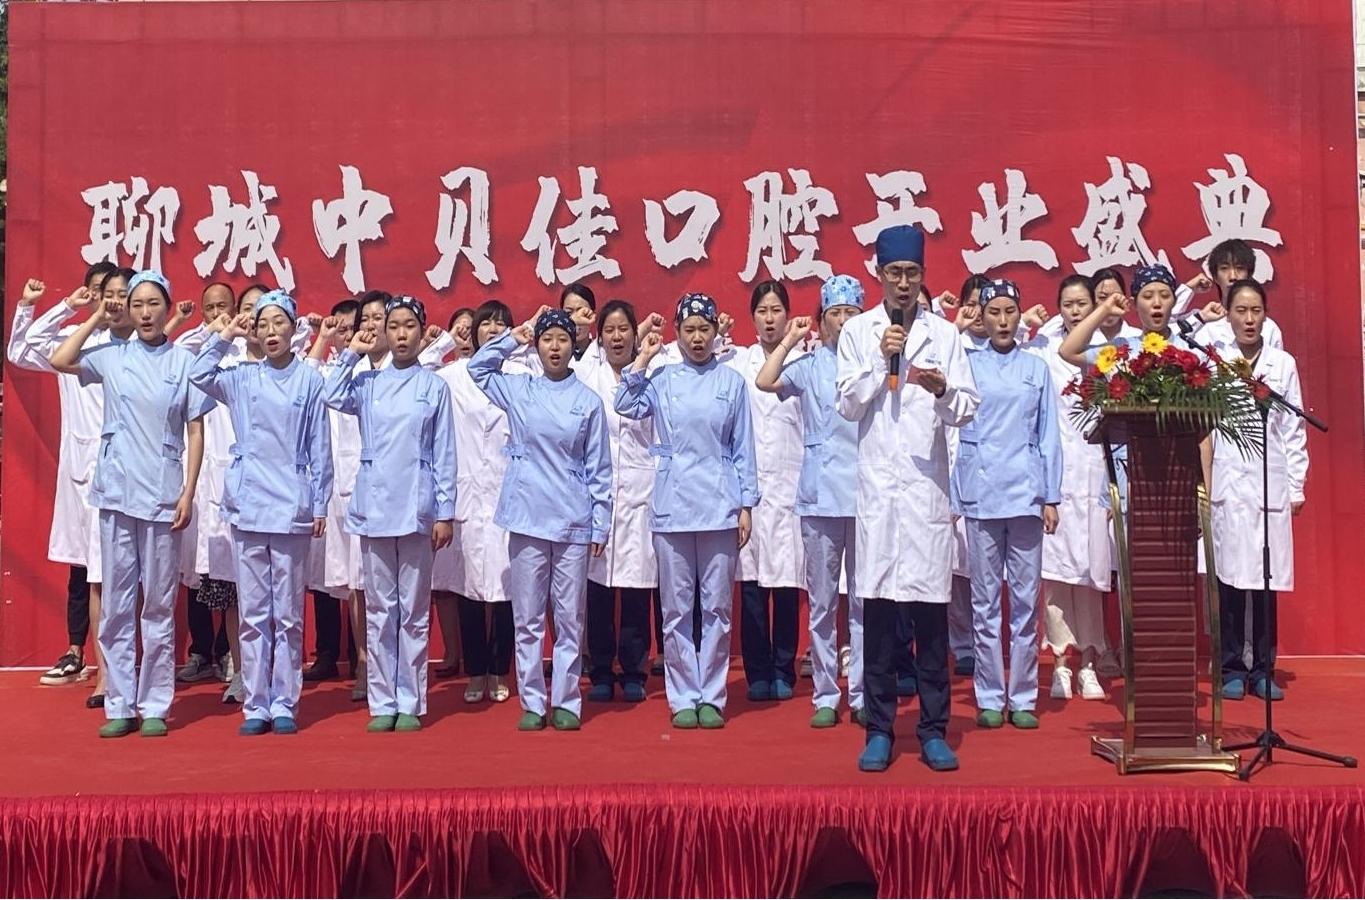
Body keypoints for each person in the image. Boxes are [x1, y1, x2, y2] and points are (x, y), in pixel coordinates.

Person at [835, 225, 979, 772]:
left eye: (912, 273)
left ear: (922, 275)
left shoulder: (944, 334)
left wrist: (942, 389)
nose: (902, 283)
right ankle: (879, 730)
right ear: (879, 274)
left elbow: (967, 406)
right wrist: (881, 360)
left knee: (930, 622)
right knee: (877, 621)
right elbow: (847, 405)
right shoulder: (859, 332)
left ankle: (934, 729)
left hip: (924, 495)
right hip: (879, 495)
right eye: (894, 273)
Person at [49, 271, 214, 737]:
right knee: (118, 604)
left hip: (163, 495)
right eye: (136, 304)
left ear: (168, 309)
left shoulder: (184, 362)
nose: (143, 312)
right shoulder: (112, 356)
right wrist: (98, 316)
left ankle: (156, 703)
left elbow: (196, 430)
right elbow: (61, 359)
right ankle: (120, 703)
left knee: (157, 605)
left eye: (152, 304)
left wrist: (188, 491)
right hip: (117, 493)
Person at [190, 292, 334, 734]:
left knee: (287, 613)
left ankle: (285, 701)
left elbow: (320, 445)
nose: (271, 332)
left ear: (294, 328)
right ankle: (256, 703)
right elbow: (198, 374)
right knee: (254, 611)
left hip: (291, 502)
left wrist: (320, 501)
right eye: (263, 324)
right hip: (249, 501)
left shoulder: (308, 379)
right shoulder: (241, 377)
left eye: (279, 323)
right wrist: (224, 337)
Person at [616, 293, 759, 730]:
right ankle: (682, 695)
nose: (698, 338)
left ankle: (711, 695)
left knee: (716, 607)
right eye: (689, 330)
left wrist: (746, 504)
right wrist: (643, 357)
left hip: (719, 503)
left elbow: (743, 447)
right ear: (677, 333)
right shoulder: (661, 378)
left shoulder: (731, 382)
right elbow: (625, 404)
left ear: (716, 332)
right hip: (673, 504)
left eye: (705, 329)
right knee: (676, 609)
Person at [470, 307, 613, 731]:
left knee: (569, 618)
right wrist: (513, 337)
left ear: (573, 346)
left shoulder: (588, 401)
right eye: (547, 339)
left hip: (572, 518)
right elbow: (479, 368)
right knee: (528, 617)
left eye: (562, 339)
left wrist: (601, 522)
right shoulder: (520, 390)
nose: (554, 347)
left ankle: (567, 700)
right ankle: (533, 701)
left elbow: (599, 468)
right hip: (527, 515)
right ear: (537, 345)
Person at [323, 295, 457, 733]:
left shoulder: (434, 387)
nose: (401, 334)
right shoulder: (368, 383)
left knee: (413, 610)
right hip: (376, 505)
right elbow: (330, 395)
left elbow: (445, 453)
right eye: (393, 326)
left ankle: (411, 701)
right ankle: (383, 701)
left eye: (408, 326)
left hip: (417, 505)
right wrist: (351, 353)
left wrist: (445, 511)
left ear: (421, 332)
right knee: (381, 609)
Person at [7, 262, 122, 706]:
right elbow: (22, 349)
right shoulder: (74, 341)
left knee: (123, 572)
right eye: (98, 291)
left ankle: (128, 666)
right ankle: (88, 659)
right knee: (88, 570)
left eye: (115, 292)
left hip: (127, 469)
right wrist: (53, 307)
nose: (107, 300)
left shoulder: (135, 344)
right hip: (83, 472)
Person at [950, 280, 1062, 730]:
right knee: (984, 601)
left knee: (1025, 601)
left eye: (1009, 312)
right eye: (993, 311)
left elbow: (1048, 434)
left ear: (1020, 316)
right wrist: (957, 494)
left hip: (1026, 492)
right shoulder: (967, 364)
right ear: (981, 316)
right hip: (981, 492)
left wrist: (1051, 495)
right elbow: (952, 424)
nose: (1001, 320)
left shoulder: (1036, 368)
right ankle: (990, 694)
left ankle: (1024, 695)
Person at [754, 274, 863, 727]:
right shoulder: (811, 363)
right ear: (822, 320)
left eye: (851, 313)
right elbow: (765, 380)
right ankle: (825, 693)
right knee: (822, 602)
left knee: (863, 600)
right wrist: (791, 340)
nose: (843, 321)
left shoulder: (875, 363)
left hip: (865, 493)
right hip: (819, 494)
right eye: (835, 313)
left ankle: (862, 692)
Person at [1205, 280, 1306, 701]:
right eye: (1241, 311)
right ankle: (1231, 666)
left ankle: (1263, 668)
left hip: (1270, 478)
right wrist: (1206, 483)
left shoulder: (1282, 363)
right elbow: (1207, 425)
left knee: (1266, 578)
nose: (1249, 319)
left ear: (1266, 315)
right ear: (1228, 315)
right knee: (1230, 578)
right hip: (1229, 480)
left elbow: (1293, 427)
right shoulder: (1215, 360)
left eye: (1256, 311)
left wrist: (1296, 485)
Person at [1038, 275, 1131, 701]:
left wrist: (1117, 483)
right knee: (1056, 575)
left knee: (1093, 575)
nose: (1075, 311)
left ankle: (1090, 661)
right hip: (1057, 472)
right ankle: (1060, 662)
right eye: (1068, 304)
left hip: (1095, 470)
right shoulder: (1043, 348)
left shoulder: (1110, 351)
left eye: (1082, 303)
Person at [432, 300, 517, 705]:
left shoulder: (521, 374)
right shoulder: (452, 376)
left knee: (506, 589)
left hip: (508, 492)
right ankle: (475, 671)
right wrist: (446, 341)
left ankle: (500, 669)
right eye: (486, 325)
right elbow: (416, 370)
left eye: (502, 325)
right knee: (465, 589)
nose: (493, 330)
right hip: (465, 493)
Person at [576, 300, 661, 703]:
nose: (616, 337)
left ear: (635, 333)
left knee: (636, 586)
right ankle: (599, 670)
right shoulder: (587, 375)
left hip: (641, 490)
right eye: (609, 330)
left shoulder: (653, 374)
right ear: (600, 337)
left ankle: (633, 670)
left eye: (623, 329)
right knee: (597, 588)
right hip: (597, 491)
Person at [729, 280, 806, 702]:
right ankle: (757, 670)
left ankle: (784, 668)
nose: (770, 318)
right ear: (752, 318)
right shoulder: (739, 363)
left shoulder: (804, 360)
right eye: (763, 311)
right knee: (753, 584)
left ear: (788, 314)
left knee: (788, 582)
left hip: (792, 483)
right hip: (751, 486)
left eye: (777, 310)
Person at [172, 282, 237, 689]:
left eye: (223, 306)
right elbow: (181, 345)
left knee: (227, 571)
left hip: (231, 475)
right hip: (196, 472)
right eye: (210, 308)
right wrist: (211, 331)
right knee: (195, 569)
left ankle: (228, 651)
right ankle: (200, 651)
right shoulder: (192, 350)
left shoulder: (243, 352)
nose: (217, 313)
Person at [303, 298, 361, 682]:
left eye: (351, 327)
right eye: (339, 327)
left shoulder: (370, 372)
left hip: (360, 483)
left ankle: (361, 656)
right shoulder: (321, 370)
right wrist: (320, 338)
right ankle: (327, 652)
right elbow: (303, 377)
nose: (345, 333)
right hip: (325, 481)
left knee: (359, 575)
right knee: (325, 571)